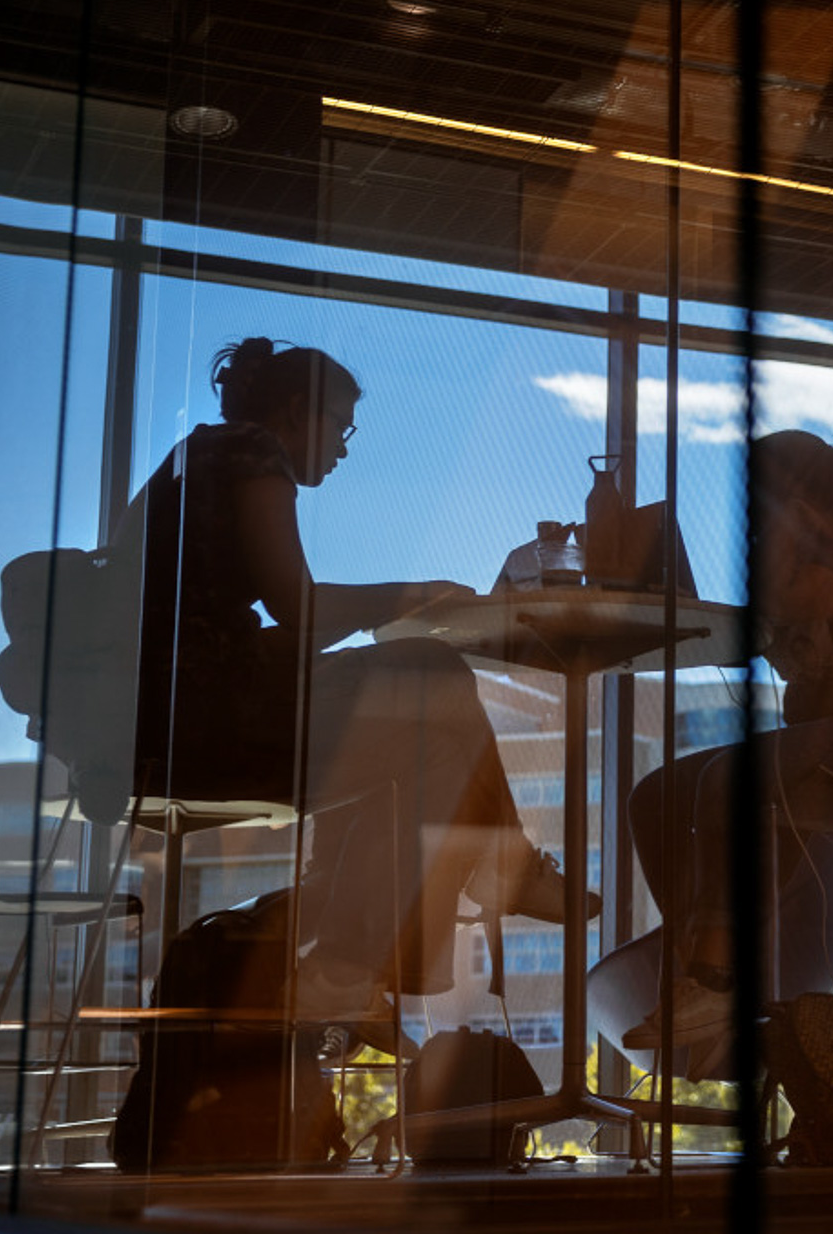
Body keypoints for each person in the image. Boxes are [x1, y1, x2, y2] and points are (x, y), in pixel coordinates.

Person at [117, 337, 594, 1024]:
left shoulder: (203, 455)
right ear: (296, 409)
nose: (343, 447)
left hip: (177, 712)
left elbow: (236, 620)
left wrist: (380, 615)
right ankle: (456, 896)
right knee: (434, 705)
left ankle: (349, 971)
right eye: (339, 425)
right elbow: (298, 606)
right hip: (198, 721)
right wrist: (405, 595)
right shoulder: (251, 453)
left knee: (430, 728)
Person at [620, 429, 833, 1051]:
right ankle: (704, 968)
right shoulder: (796, 554)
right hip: (828, 742)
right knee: (655, 796)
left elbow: (789, 600)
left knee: (725, 782)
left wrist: (788, 525)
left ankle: (716, 979)